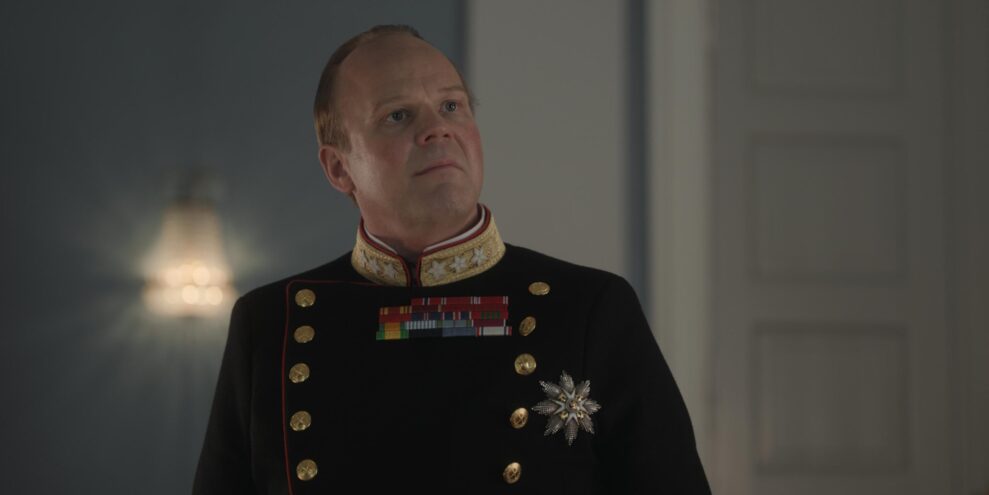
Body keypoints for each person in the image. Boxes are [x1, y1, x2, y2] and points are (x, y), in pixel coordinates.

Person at [193, 24, 711, 494]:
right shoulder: (270, 324)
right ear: (339, 168)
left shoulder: (589, 308)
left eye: (451, 106)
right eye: (398, 116)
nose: (437, 129)